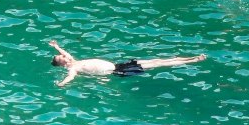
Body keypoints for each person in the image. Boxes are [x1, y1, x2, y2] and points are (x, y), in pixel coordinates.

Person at [49, 40, 205, 87]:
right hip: (118, 72)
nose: (63, 56)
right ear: (61, 63)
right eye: (60, 57)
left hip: (119, 65)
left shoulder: (74, 61)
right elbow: (70, 78)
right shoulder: (73, 69)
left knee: (156, 60)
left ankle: (189, 58)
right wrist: (62, 83)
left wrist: (56, 46)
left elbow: (65, 53)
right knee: (158, 64)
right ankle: (192, 61)